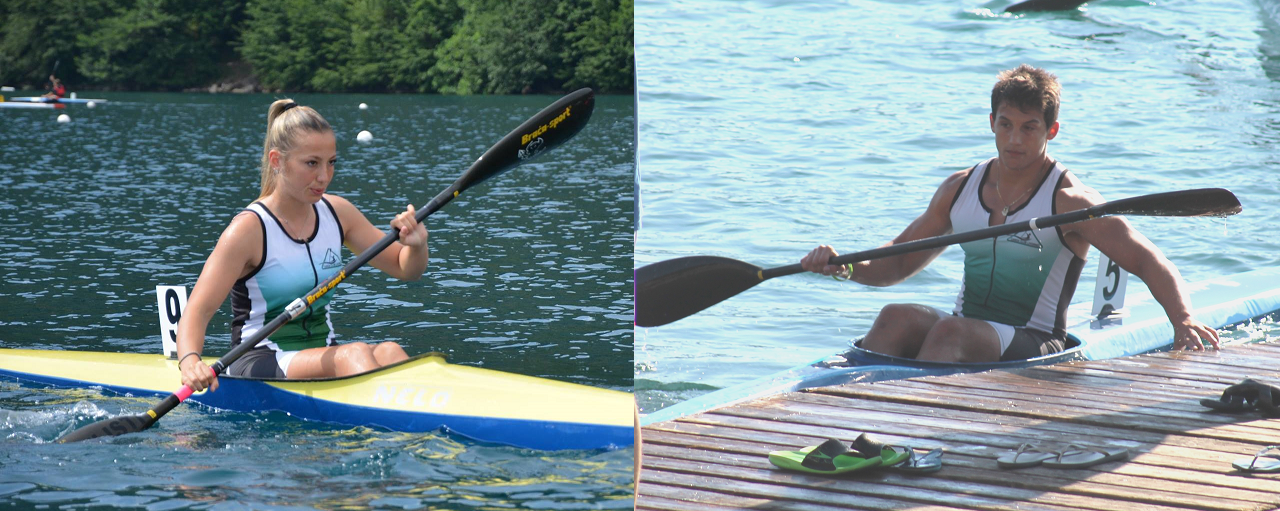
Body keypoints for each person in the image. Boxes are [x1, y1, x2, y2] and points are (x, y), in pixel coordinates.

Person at [800, 64, 1219, 363]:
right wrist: (845, 267)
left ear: (1051, 130)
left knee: (951, 331)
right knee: (895, 317)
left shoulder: (1070, 201)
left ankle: (915, 425)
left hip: (1037, 343)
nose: (1014, 139)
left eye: (1029, 127)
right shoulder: (959, 188)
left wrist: (1182, 319)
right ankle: (854, 410)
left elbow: (1147, 258)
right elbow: (899, 261)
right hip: (966, 331)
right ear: (991, 122)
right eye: (1005, 125)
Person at [178, 99, 428, 393]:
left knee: (390, 352)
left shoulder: (338, 213)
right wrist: (190, 361)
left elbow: (404, 268)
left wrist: (417, 244)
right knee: (356, 354)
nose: (324, 176)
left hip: (322, 351)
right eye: (312, 163)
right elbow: (198, 310)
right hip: (258, 357)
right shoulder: (248, 230)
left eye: (331, 162)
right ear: (277, 161)